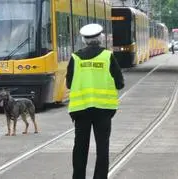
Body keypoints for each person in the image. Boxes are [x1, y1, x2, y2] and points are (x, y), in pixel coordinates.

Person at [66, 24, 124, 179]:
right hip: (103, 110)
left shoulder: (75, 57)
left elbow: (68, 83)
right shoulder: (108, 56)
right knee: (102, 147)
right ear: (100, 39)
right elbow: (120, 82)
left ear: (84, 40)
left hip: (81, 109)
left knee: (80, 147)